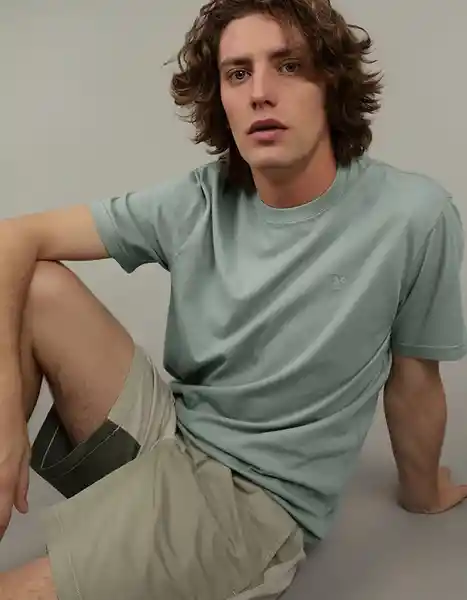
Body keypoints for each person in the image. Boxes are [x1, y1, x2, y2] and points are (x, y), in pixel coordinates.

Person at [0, 0, 466, 598]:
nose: (260, 93)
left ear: (331, 83)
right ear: (220, 96)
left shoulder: (411, 215)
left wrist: (424, 492)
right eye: (238, 73)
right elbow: (14, 238)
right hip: (171, 437)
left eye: (289, 66)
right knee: (36, 284)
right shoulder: (199, 199)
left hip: (249, 505)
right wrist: (7, 418)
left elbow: (415, 380)